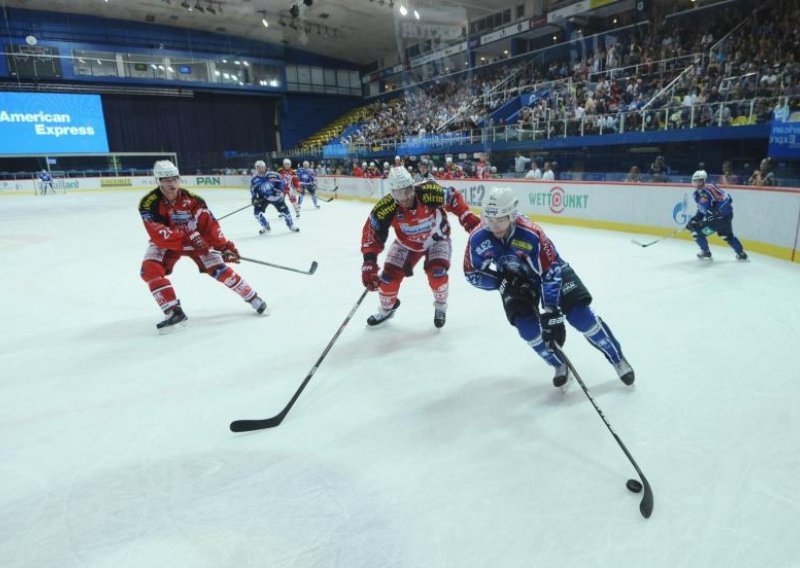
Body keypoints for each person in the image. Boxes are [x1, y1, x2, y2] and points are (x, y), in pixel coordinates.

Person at [463, 186, 635, 388]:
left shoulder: (530, 234)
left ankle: (616, 357)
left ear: (512, 215)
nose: (494, 226)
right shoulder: (478, 237)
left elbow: (550, 272)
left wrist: (551, 311)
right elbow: (471, 273)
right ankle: (559, 364)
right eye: (489, 219)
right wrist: (502, 283)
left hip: (551, 272)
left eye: (500, 219)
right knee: (528, 329)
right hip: (515, 283)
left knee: (581, 316)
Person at [139, 160, 267, 330]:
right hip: (168, 243)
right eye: (167, 180)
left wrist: (225, 247)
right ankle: (173, 310)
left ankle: (253, 298)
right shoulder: (148, 203)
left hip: (197, 241)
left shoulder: (194, 200)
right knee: (149, 271)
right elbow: (157, 232)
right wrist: (186, 237)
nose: (172, 183)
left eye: (175, 179)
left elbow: (210, 226)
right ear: (158, 181)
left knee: (218, 269)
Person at [360, 166, 480, 328]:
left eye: (408, 190)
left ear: (413, 185)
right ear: (392, 193)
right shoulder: (385, 208)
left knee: (437, 274)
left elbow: (453, 197)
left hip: (437, 239)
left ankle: (440, 306)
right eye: (399, 193)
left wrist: (467, 216)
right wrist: (369, 262)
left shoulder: (427, 192)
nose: (405, 197)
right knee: (387, 280)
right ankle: (387, 309)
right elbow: (371, 231)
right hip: (406, 244)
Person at [686, 170, 748, 261]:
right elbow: (702, 210)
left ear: (705, 180)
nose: (698, 183)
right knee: (727, 236)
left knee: (697, 233)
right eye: (696, 180)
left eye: (700, 180)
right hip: (722, 219)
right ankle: (741, 253)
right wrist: (695, 219)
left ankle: (706, 252)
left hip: (719, 220)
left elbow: (727, 199)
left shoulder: (709, 188)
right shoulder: (696, 194)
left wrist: (709, 217)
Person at [250, 160, 300, 234]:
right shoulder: (254, 180)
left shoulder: (273, 175)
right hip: (263, 198)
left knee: (285, 212)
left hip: (276, 197)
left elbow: (282, 182)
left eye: (262, 167)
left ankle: (291, 226)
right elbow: (254, 190)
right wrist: (254, 198)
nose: (261, 169)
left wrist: (278, 191)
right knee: (257, 213)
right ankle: (266, 226)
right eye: (259, 167)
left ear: (265, 167)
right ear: (256, 168)